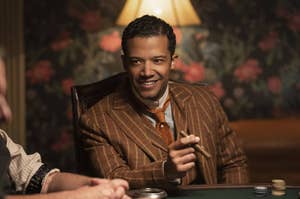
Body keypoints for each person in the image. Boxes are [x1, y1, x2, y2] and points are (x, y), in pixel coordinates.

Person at [79, 15, 249, 189]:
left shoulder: (204, 98)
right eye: (136, 61)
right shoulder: (95, 121)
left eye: (157, 60)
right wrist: (165, 171)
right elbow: (115, 180)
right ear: (124, 63)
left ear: (172, 62)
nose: (147, 72)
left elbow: (233, 163)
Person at [0, 49, 130, 199]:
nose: (6, 113)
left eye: (3, 96)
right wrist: (78, 197)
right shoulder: (97, 117)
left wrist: (100, 187)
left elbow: (42, 180)